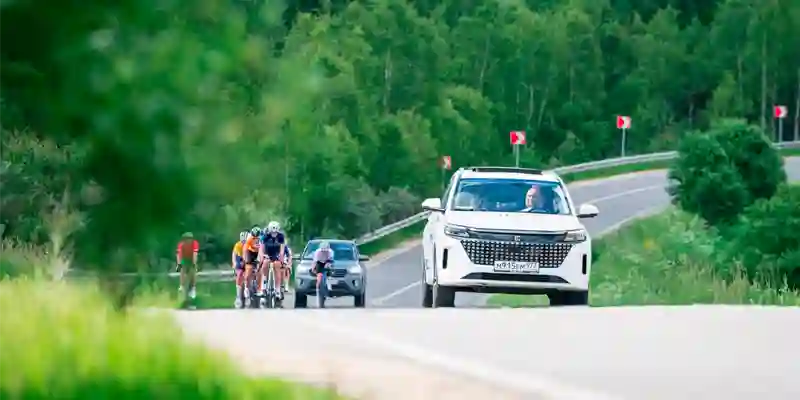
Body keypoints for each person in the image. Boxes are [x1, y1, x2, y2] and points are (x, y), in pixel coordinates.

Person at [258, 221, 286, 300]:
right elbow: (261, 248)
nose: (274, 234)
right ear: (269, 231)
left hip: (276, 254)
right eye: (272, 232)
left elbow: (282, 249)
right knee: (265, 264)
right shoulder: (265, 236)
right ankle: (263, 288)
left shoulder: (281, 236)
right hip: (267, 254)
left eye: (275, 232)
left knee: (277, 266)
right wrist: (263, 256)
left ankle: (277, 290)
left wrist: (281, 257)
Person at [175, 232, 199, 300]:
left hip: (191, 258)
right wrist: (179, 264)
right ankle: (182, 286)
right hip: (184, 258)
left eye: (190, 239)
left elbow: (195, 254)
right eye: (187, 239)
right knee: (182, 269)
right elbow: (179, 255)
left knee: (193, 271)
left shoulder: (195, 243)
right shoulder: (181, 245)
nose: (188, 240)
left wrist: (194, 264)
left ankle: (193, 287)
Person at [241, 226, 261, 306]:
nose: (255, 239)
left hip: (259, 253)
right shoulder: (249, 239)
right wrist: (245, 260)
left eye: (257, 238)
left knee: (260, 270)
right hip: (250, 253)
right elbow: (245, 251)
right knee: (249, 269)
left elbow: (263, 251)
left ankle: (260, 288)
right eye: (254, 238)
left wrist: (260, 260)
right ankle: (246, 287)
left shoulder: (262, 239)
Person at [231, 230, 247, 308]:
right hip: (240, 260)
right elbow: (234, 254)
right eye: (242, 241)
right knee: (239, 274)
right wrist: (234, 263)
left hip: (248, 260)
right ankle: (238, 296)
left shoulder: (250, 244)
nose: (244, 242)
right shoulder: (238, 245)